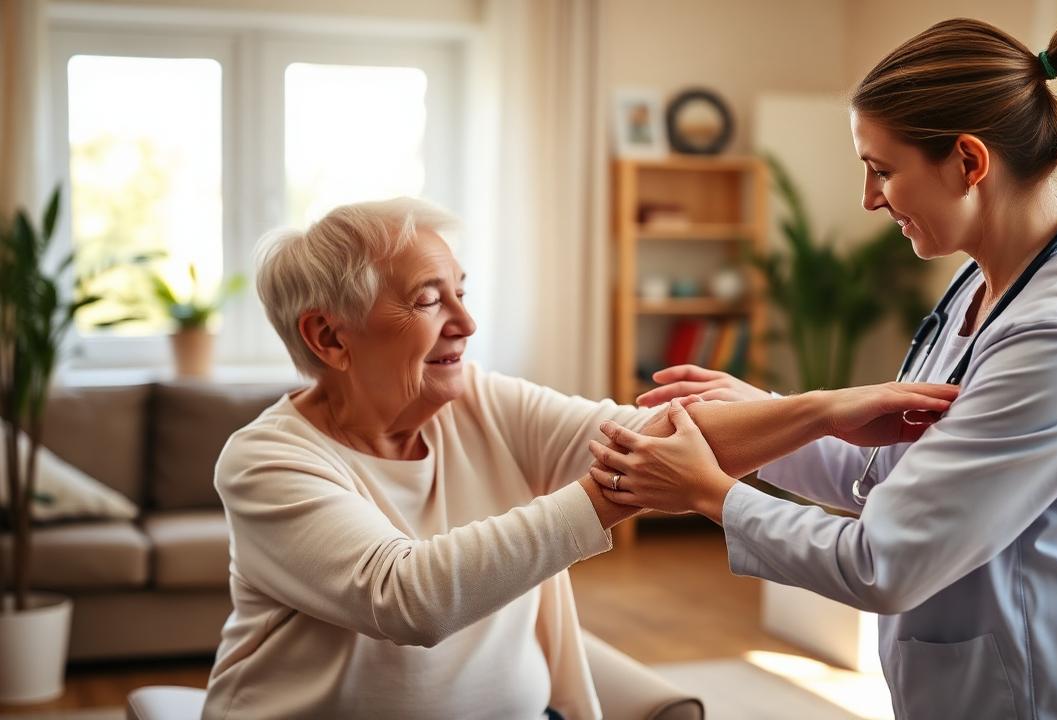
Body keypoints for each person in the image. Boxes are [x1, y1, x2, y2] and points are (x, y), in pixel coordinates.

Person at [588, 19, 1057, 719]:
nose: (870, 198)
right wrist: (772, 413)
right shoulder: (981, 287)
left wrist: (710, 492)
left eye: (883, 170)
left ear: (969, 162)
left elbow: (882, 560)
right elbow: (889, 484)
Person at [201, 197, 958, 720]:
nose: (467, 321)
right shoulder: (267, 462)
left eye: (461, 291)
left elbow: (648, 431)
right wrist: (614, 492)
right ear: (330, 338)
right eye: (430, 300)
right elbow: (409, 596)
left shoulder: (483, 404)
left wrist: (830, 410)